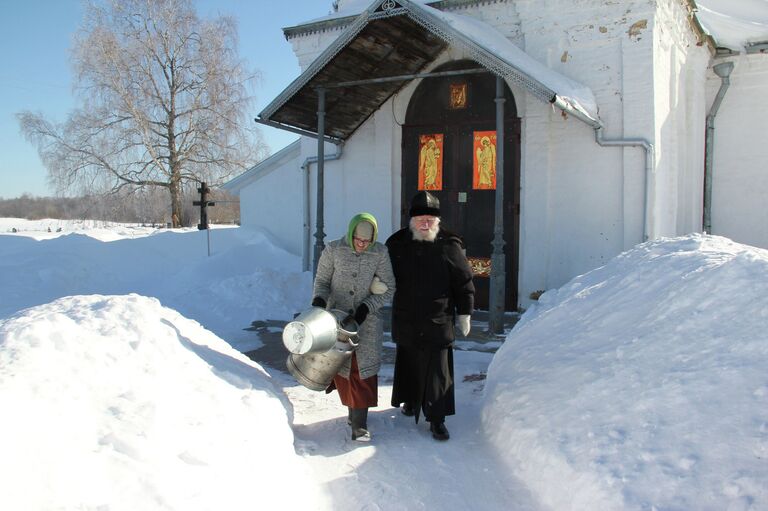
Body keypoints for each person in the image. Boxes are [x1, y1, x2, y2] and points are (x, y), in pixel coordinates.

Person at [386, 191, 474, 441]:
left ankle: (437, 419)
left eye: (430, 219)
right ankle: (411, 402)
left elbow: (464, 280)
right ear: (411, 221)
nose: (425, 223)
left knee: (438, 371)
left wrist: (465, 312)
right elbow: (382, 273)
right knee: (410, 363)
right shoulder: (397, 243)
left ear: (437, 221)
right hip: (407, 317)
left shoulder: (449, 244)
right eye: (420, 219)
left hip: (438, 318)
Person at [311, 212, 395, 442]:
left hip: (366, 323)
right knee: (343, 368)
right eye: (358, 240)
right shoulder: (333, 249)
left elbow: (389, 287)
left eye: (366, 241)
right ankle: (353, 413)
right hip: (336, 321)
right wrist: (319, 301)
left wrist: (366, 307)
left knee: (362, 370)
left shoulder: (380, 253)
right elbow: (322, 282)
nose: (362, 244)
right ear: (351, 234)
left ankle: (360, 425)